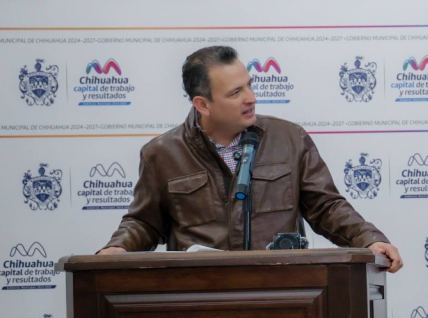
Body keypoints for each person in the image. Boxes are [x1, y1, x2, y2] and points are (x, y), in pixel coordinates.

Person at [98, 46, 403, 272]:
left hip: (284, 288)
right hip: (199, 293)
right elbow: (144, 222)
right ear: (202, 104)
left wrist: (368, 239)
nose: (251, 98)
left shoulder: (289, 139)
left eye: (249, 84)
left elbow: (326, 207)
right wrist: (118, 247)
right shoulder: (162, 154)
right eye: (235, 93)